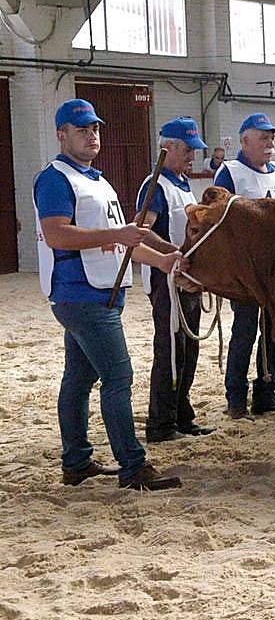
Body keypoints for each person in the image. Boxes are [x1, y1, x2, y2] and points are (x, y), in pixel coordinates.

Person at [33, 99, 183, 490]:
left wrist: (162, 260)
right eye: (82, 129)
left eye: (95, 129)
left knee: (79, 379)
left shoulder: (97, 180)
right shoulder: (55, 178)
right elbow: (56, 234)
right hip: (80, 293)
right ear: (61, 134)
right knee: (118, 376)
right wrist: (117, 236)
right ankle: (132, 466)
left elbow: (123, 240)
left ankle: (76, 462)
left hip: (101, 291)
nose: (92, 135)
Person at [137, 117, 215, 443]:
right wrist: (173, 252)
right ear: (167, 147)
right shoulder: (155, 184)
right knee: (170, 350)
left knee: (189, 348)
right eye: (186, 149)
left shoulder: (182, 183)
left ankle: (182, 414)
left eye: (194, 150)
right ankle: (160, 423)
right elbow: (142, 229)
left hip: (187, 277)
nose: (191, 156)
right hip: (165, 278)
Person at [214, 113, 275, 418]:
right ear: (245, 141)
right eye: (263, 137)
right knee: (245, 331)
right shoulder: (230, 173)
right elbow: (220, 223)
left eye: (272, 137)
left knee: (274, 331)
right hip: (246, 270)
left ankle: (266, 391)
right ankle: (235, 396)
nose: (270, 143)